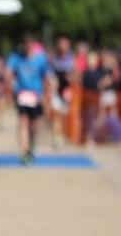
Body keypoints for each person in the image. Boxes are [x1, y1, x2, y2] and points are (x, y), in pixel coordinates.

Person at [6, 35, 55, 164]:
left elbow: (47, 77)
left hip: (36, 96)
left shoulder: (41, 59)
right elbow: (8, 72)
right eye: (25, 44)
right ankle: (24, 151)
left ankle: (32, 145)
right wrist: (11, 84)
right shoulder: (16, 58)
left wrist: (47, 94)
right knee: (23, 122)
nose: (27, 47)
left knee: (35, 125)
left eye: (30, 44)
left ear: (33, 45)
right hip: (21, 95)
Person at [49, 36, 76, 148]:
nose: (63, 47)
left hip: (66, 91)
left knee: (64, 115)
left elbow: (75, 75)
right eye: (61, 44)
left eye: (65, 44)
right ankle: (56, 137)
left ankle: (63, 134)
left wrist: (72, 78)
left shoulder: (71, 59)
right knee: (56, 115)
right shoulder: (53, 58)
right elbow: (49, 73)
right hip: (55, 90)